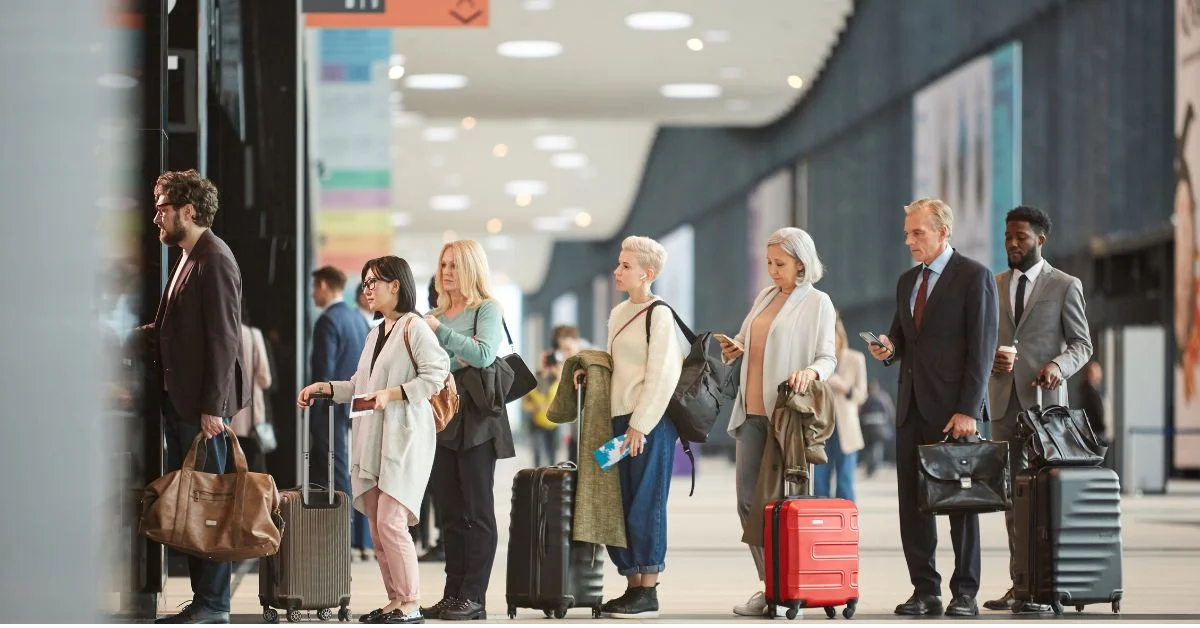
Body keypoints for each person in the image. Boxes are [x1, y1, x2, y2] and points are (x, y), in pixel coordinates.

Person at [297, 256, 449, 625]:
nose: (366, 290)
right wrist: (327, 388)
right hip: (375, 439)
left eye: (372, 282)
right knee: (380, 526)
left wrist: (393, 394)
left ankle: (410, 603)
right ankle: (395, 600)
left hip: (404, 438)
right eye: (364, 283)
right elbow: (361, 386)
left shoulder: (414, 327)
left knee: (392, 522)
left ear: (395, 286)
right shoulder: (375, 331)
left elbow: (437, 373)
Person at [866, 198, 999, 618]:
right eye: (907, 233)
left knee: (961, 505)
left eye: (917, 233)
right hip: (911, 409)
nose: (909, 240)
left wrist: (968, 410)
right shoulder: (908, 281)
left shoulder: (974, 277)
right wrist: (886, 350)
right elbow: (901, 340)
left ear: (943, 232)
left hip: (952, 413)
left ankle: (965, 593)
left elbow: (981, 351)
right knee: (914, 505)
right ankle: (926, 590)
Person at [138, 169, 251, 624]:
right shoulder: (189, 256)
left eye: (162, 207)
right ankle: (207, 599)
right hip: (184, 401)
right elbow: (170, 331)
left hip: (199, 408)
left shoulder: (215, 258)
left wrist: (213, 408)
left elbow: (224, 341)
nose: (156, 217)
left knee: (208, 503)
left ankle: (214, 605)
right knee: (198, 500)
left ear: (189, 210)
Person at [718, 227, 838, 617]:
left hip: (787, 416)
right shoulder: (765, 296)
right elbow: (748, 337)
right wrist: (734, 348)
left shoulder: (818, 303)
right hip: (751, 412)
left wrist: (811, 372)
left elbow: (828, 357)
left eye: (780, 264)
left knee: (789, 505)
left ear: (801, 263)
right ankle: (772, 586)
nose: (772, 270)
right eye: (768, 262)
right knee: (748, 502)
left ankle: (794, 587)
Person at [983, 206, 1092, 613]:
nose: (1012, 243)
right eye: (1008, 236)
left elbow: (1082, 344)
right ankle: (1021, 584)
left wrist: (1056, 367)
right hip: (1003, 405)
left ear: (1040, 239)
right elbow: (980, 341)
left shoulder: (1065, 285)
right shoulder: (992, 285)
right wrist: (991, 358)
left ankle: (1050, 585)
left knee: (1046, 498)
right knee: (1012, 499)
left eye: (1021, 237)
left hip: (1046, 412)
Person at [587, 236, 684, 619]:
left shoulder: (659, 314)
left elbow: (663, 373)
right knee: (622, 504)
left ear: (649, 273)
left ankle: (648, 589)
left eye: (626, 266)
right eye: (619, 263)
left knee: (646, 503)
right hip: (619, 422)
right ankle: (632, 584)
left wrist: (641, 425)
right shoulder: (618, 312)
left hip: (649, 423)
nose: (618, 270)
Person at [421, 240, 515, 621]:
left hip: (477, 420)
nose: (446, 272)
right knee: (449, 512)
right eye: (443, 264)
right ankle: (453, 593)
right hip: (442, 418)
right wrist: (455, 351)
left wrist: (443, 335)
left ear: (471, 269)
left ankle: (473, 596)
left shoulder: (486, 308)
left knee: (477, 511)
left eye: (454, 265)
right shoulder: (435, 312)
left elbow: (483, 354)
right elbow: (432, 366)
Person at [310, 265, 372, 559]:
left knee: (334, 472)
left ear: (323, 285)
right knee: (356, 470)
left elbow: (324, 372)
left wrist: (317, 403)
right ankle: (361, 539)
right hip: (357, 408)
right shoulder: (357, 321)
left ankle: (340, 540)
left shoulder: (328, 321)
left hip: (332, 409)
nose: (313, 294)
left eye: (314, 288)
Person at [813, 315, 867, 502]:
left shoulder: (855, 358)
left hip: (847, 430)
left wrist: (844, 387)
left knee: (845, 483)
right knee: (819, 484)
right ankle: (823, 526)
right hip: (820, 429)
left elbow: (862, 395)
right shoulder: (814, 361)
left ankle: (846, 528)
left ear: (840, 335)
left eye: (832, 334)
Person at [231, 300, 273, 473]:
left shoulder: (223, 333)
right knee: (253, 472)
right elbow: (265, 380)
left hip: (229, 418)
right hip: (252, 419)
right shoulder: (254, 336)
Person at [523, 350, 564, 466]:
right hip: (537, 423)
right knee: (538, 455)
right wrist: (542, 371)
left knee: (553, 456)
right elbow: (525, 403)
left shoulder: (558, 380)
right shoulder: (535, 379)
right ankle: (537, 480)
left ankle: (552, 478)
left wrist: (559, 374)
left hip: (554, 423)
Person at [858, 381, 896, 477]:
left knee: (868, 448)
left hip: (866, 426)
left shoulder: (865, 397)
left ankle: (870, 467)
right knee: (876, 447)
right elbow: (890, 412)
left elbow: (859, 411)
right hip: (879, 427)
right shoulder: (883, 397)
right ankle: (874, 467)